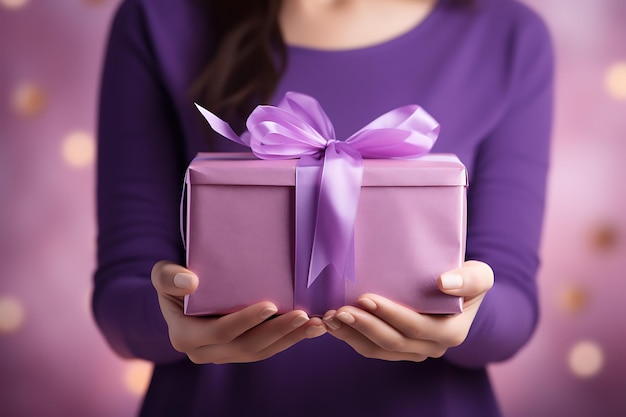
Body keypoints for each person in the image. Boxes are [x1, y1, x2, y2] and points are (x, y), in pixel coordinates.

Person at [93, 0, 553, 415]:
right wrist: (169, 315)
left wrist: (469, 315)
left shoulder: (508, 34)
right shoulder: (158, 16)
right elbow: (121, 294)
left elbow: (512, 301)